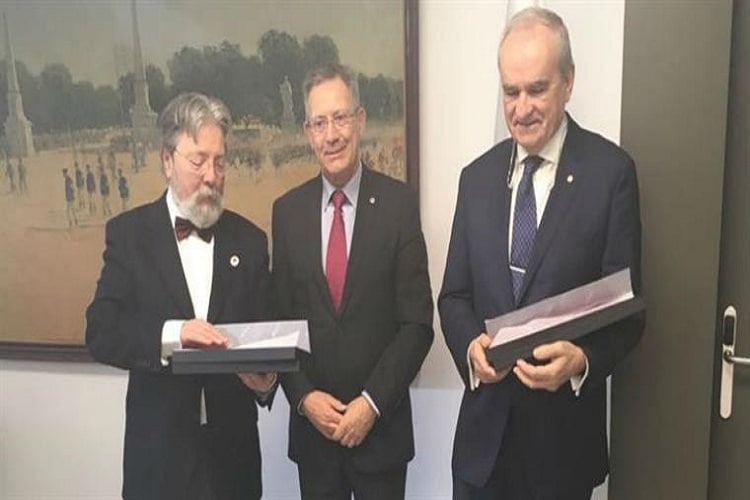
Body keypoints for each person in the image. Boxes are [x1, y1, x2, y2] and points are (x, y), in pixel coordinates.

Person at [438, 8, 644, 500]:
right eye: (511, 92)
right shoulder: (476, 178)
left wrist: (582, 361)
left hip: (561, 451)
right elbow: (454, 297)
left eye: (537, 89)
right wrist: (470, 349)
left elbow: (629, 311)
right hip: (481, 452)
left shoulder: (610, 174)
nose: (522, 108)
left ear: (568, 82)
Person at [86, 92, 276, 500]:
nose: (211, 175)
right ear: (167, 161)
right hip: (158, 465)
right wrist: (175, 334)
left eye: (220, 162)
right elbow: (101, 330)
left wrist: (266, 381)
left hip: (234, 467)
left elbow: (267, 334)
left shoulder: (250, 241)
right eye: (198, 161)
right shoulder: (130, 235)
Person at [272, 63, 434, 499]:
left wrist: (371, 404)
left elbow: (417, 324)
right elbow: (280, 323)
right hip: (315, 440)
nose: (332, 135)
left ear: (360, 120)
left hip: (381, 435)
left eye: (340, 118)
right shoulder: (286, 214)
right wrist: (304, 398)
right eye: (319, 123)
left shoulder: (399, 205)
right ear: (307, 132)